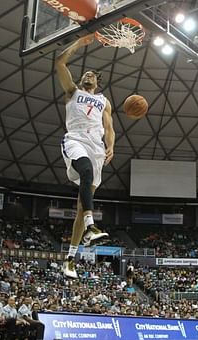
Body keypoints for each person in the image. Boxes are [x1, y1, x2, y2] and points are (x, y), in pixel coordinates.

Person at [55, 34, 115, 278]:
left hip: (97, 147)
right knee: (86, 170)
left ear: (97, 82)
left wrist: (111, 146)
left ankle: (70, 259)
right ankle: (92, 226)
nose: (88, 75)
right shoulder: (72, 92)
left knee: (82, 206)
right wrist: (79, 44)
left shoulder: (104, 101)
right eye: (86, 73)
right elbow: (60, 63)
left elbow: (109, 128)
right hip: (76, 139)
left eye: (92, 74)